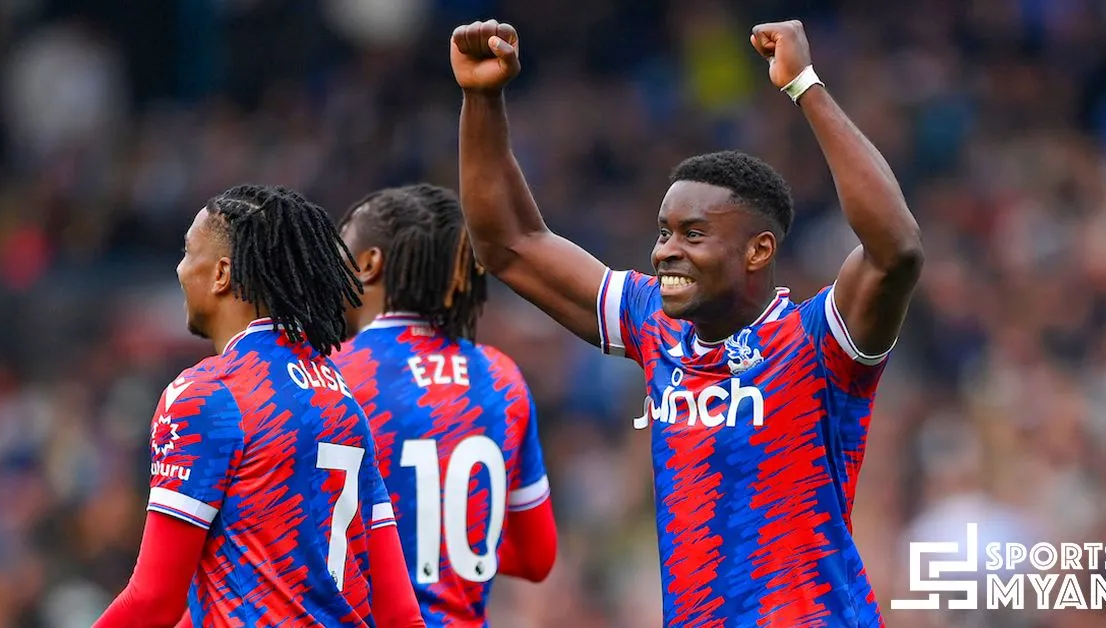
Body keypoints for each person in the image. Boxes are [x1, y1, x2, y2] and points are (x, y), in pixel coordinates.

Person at [450, 18, 923, 627]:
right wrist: (482, 99)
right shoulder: (654, 325)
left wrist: (804, 84)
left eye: (693, 235)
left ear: (757, 250)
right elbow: (509, 244)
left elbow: (896, 250)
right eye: (664, 233)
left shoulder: (817, 342)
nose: (665, 252)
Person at [93, 184, 426, 628]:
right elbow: (401, 613)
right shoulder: (342, 399)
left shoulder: (210, 395)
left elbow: (154, 601)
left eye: (187, 252)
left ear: (221, 274)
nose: (179, 269)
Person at [332, 183, 558, 626]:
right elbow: (538, 557)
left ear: (368, 264)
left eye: (340, 249)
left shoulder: (330, 377)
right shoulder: (502, 379)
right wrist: (444, 549)